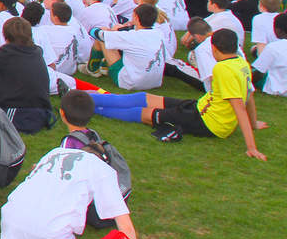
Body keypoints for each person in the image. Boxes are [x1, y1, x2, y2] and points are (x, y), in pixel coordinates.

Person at [0, 91, 138, 239]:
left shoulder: (54, 153)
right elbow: (125, 227)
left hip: (11, 223)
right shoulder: (102, 171)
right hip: (51, 232)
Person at [88, 28, 268, 157]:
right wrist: (253, 123)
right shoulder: (242, 63)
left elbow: (239, 106)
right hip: (202, 107)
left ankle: (88, 106)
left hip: (207, 122)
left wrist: (251, 147)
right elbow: (249, 96)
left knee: (145, 114)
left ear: (213, 49)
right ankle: (87, 98)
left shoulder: (223, 69)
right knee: (145, 98)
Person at [0, 17, 53, 133]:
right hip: (42, 110)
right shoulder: (35, 51)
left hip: (21, 112)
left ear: (6, 36)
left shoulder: (8, 54)